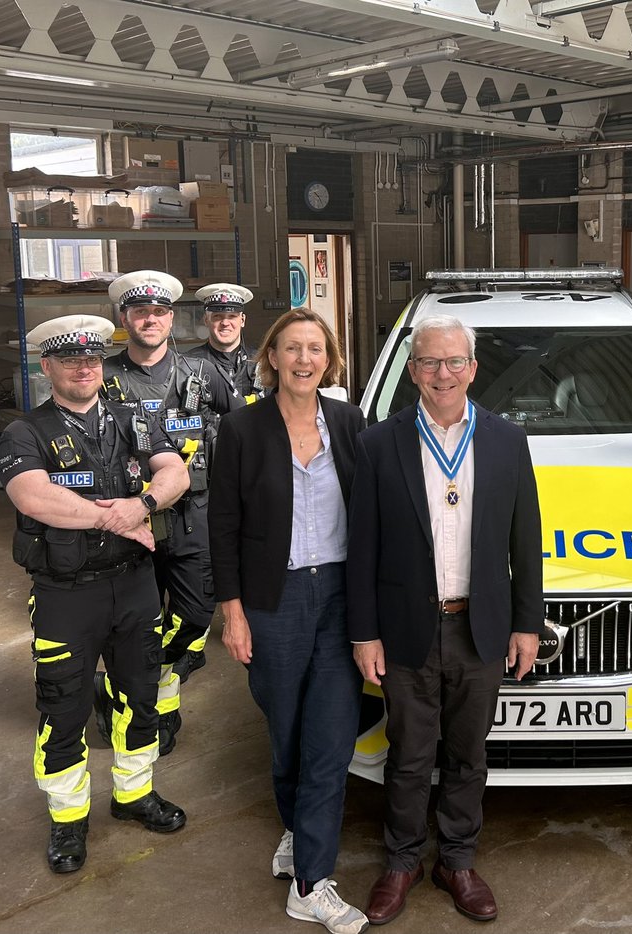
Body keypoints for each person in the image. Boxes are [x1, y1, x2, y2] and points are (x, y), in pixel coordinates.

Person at [347, 313, 543, 925]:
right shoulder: (380, 442)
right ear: (413, 371)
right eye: (430, 362)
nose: (443, 373)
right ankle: (402, 861)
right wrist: (364, 632)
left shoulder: (508, 441)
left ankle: (456, 860)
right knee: (407, 754)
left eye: (454, 361)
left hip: (478, 627)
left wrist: (527, 624)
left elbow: (525, 542)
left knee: (467, 753)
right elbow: (362, 546)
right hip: (406, 628)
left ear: (474, 368)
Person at [0, 314, 191, 874]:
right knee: (64, 706)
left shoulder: (132, 419)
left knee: (140, 695)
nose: (85, 366)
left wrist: (143, 507)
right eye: (71, 359)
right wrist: (116, 520)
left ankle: (133, 795)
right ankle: (68, 816)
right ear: (48, 366)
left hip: (133, 586)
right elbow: (34, 497)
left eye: (93, 357)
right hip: (65, 595)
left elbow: (173, 472)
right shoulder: (24, 432)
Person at [209, 308, 367, 934]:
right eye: (293, 348)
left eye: (317, 349)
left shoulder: (351, 423)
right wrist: (232, 613)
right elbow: (222, 527)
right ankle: (297, 829)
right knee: (287, 733)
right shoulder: (243, 430)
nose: (305, 359)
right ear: (271, 356)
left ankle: (312, 881)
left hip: (339, 598)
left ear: (330, 361)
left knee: (330, 737)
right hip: (271, 602)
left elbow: (377, 510)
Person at [95, 270, 242, 756]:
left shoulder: (200, 375)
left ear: (171, 318)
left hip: (192, 517)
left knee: (193, 618)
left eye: (159, 313)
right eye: (141, 312)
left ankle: (146, 689)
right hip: (128, 525)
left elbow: (245, 429)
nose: (150, 320)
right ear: (125, 319)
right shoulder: (105, 376)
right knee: (131, 627)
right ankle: (149, 708)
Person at [187, 283, 264, 401]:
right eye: (218, 316)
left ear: (242, 320)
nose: (225, 323)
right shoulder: (189, 363)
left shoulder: (260, 362)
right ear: (206, 320)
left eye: (232, 316)